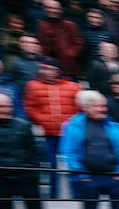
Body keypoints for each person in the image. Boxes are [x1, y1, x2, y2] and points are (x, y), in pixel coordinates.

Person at [61, 90, 119, 209]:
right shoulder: (73, 126)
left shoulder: (114, 126)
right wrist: (82, 175)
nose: (102, 109)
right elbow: (70, 153)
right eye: (97, 106)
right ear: (86, 108)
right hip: (89, 179)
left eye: (103, 106)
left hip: (114, 178)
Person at [24, 58, 81, 199]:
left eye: (50, 69)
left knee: (73, 163)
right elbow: (30, 107)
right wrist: (44, 122)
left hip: (69, 133)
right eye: (44, 68)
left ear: (57, 70)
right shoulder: (32, 86)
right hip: (48, 133)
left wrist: (71, 124)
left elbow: (79, 108)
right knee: (51, 164)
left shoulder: (73, 86)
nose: (46, 72)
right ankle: (53, 194)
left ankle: (76, 193)